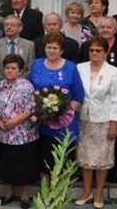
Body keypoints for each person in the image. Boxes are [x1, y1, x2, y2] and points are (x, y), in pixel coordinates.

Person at [30, 33, 84, 178]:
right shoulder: (37, 64)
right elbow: (30, 90)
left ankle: (59, 198)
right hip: (43, 123)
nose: (51, 51)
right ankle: (45, 195)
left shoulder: (71, 67)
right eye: (49, 47)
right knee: (45, 161)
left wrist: (63, 110)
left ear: (61, 50)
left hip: (65, 124)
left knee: (63, 162)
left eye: (55, 48)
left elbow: (79, 96)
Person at [75, 36, 117, 209]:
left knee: (101, 158)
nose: (94, 53)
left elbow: (116, 99)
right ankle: (87, 192)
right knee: (85, 157)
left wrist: (114, 122)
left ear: (106, 52)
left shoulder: (113, 71)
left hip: (104, 120)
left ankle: (99, 192)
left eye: (98, 50)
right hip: (84, 119)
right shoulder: (80, 68)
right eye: (91, 50)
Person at [0, 54, 39, 209]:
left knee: (23, 165)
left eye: (14, 68)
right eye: (7, 68)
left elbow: (30, 108)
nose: (10, 71)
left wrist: (14, 122)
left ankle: (25, 196)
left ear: (20, 71)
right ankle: (8, 194)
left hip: (23, 134)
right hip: (3, 133)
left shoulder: (26, 86)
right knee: (6, 164)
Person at [0, 16, 35, 80]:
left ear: (20, 28)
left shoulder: (29, 45)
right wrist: (6, 81)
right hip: (1, 84)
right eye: (6, 25)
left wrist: (17, 82)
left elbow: (30, 68)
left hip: (22, 84)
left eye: (12, 25)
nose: (9, 27)